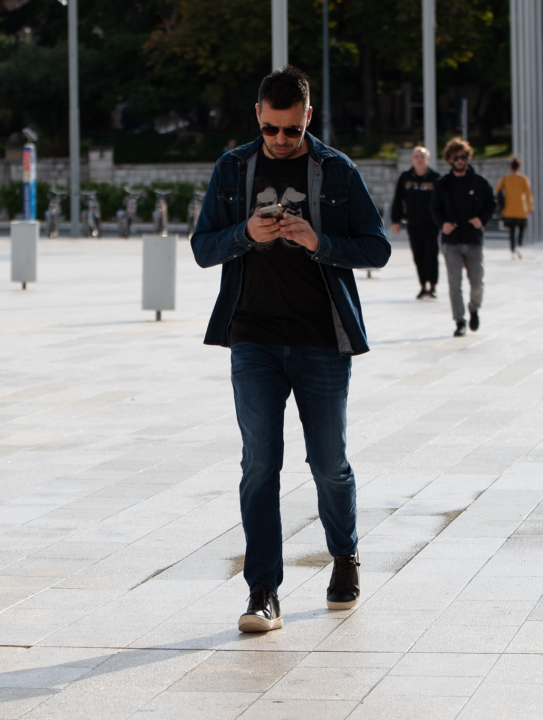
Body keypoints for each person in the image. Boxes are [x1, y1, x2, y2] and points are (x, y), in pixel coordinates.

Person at [191, 66, 390, 634]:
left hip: (320, 341)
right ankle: (263, 591)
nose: (280, 140)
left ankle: (345, 555)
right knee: (260, 464)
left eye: (291, 130)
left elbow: (377, 248)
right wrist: (245, 235)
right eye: (271, 129)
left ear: (308, 116)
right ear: (258, 115)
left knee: (329, 463)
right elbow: (204, 248)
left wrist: (319, 242)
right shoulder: (234, 168)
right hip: (252, 339)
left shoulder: (337, 171)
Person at [431, 139, 495, 337]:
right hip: (452, 242)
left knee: (477, 283)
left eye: (463, 157)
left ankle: (474, 308)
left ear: (468, 157)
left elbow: (491, 203)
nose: (459, 160)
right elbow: (434, 208)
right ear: (449, 159)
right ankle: (459, 320)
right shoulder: (442, 184)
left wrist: (482, 220)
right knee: (454, 283)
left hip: (474, 240)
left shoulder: (480, 182)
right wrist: (442, 224)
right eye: (455, 157)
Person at [391, 146, 442, 298]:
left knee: (431, 254)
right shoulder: (405, 177)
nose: (419, 159)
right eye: (416, 157)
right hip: (413, 224)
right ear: (412, 159)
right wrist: (396, 220)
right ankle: (422, 285)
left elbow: (442, 201)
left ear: (428, 159)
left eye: (422, 156)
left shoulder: (435, 178)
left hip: (432, 224)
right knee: (418, 255)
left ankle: (432, 286)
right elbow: (398, 199)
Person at [494, 157, 534, 258]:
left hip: (508, 209)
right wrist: (531, 207)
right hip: (521, 209)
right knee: (521, 229)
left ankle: (512, 250)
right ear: (519, 167)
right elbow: (529, 194)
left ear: (510, 167)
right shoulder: (523, 179)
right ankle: (519, 246)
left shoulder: (505, 178)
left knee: (511, 230)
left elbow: (497, 191)